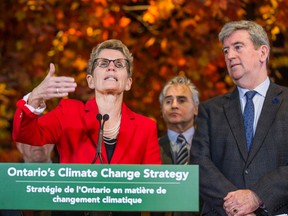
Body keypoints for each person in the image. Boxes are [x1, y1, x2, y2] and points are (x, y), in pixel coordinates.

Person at [13, 39, 162, 216]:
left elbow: (156, 192)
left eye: (119, 64)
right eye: (103, 63)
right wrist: (34, 98)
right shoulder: (68, 112)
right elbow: (25, 135)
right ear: (90, 81)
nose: (111, 67)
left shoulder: (146, 127)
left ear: (128, 82)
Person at [190, 20, 288, 216]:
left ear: (262, 53)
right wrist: (236, 206)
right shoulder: (211, 110)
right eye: (226, 51)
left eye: (237, 47)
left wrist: (257, 196)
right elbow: (199, 164)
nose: (230, 56)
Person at [157, 75, 200, 216]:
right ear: (162, 110)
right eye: (168, 101)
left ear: (195, 108)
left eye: (181, 100)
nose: (174, 105)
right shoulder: (151, 149)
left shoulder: (212, 148)